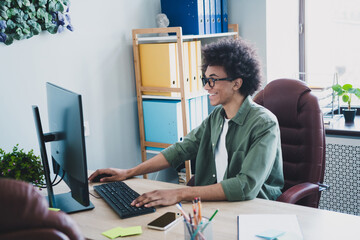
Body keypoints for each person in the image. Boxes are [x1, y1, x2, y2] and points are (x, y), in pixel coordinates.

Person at [89, 38, 284, 208]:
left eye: (213, 80)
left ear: (236, 83)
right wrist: (128, 172)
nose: (207, 87)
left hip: (252, 209)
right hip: (214, 205)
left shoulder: (264, 124)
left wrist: (180, 193)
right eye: (205, 80)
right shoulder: (217, 117)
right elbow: (181, 150)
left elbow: (246, 186)